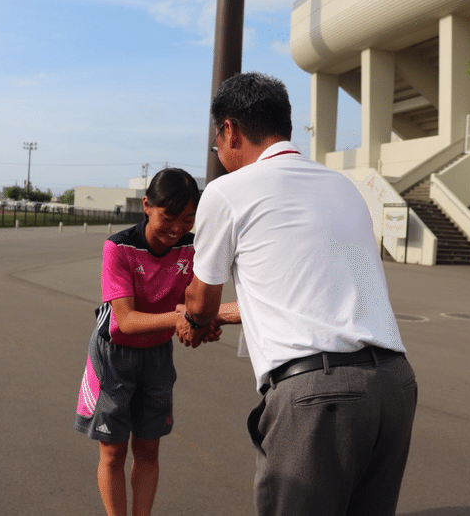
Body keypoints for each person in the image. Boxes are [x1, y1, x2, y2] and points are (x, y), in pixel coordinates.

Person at [177, 72, 417, 516]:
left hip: (318, 398)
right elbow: (305, 296)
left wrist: (194, 320)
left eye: (216, 143)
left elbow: (201, 302)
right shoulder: (342, 187)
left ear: (229, 130)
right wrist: (228, 314)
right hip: (394, 386)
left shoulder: (227, 192)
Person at [74, 168, 228, 516]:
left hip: (157, 354)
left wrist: (203, 323)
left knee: (148, 451)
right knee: (113, 452)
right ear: (147, 205)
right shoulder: (119, 247)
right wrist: (188, 320)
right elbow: (125, 320)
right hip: (113, 355)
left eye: (187, 218)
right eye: (168, 217)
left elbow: (200, 303)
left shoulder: (195, 246)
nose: (177, 229)